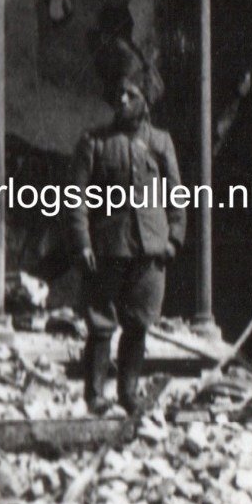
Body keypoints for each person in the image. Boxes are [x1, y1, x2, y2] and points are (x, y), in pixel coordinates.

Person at [68, 40, 185, 415]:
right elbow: (76, 198)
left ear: (144, 101)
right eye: (117, 94)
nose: (120, 101)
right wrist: (83, 241)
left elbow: (177, 196)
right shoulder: (95, 143)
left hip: (151, 249)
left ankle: (128, 392)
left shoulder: (160, 142)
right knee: (102, 324)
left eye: (129, 94)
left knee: (138, 323)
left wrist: (174, 239)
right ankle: (95, 394)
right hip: (108, 249)